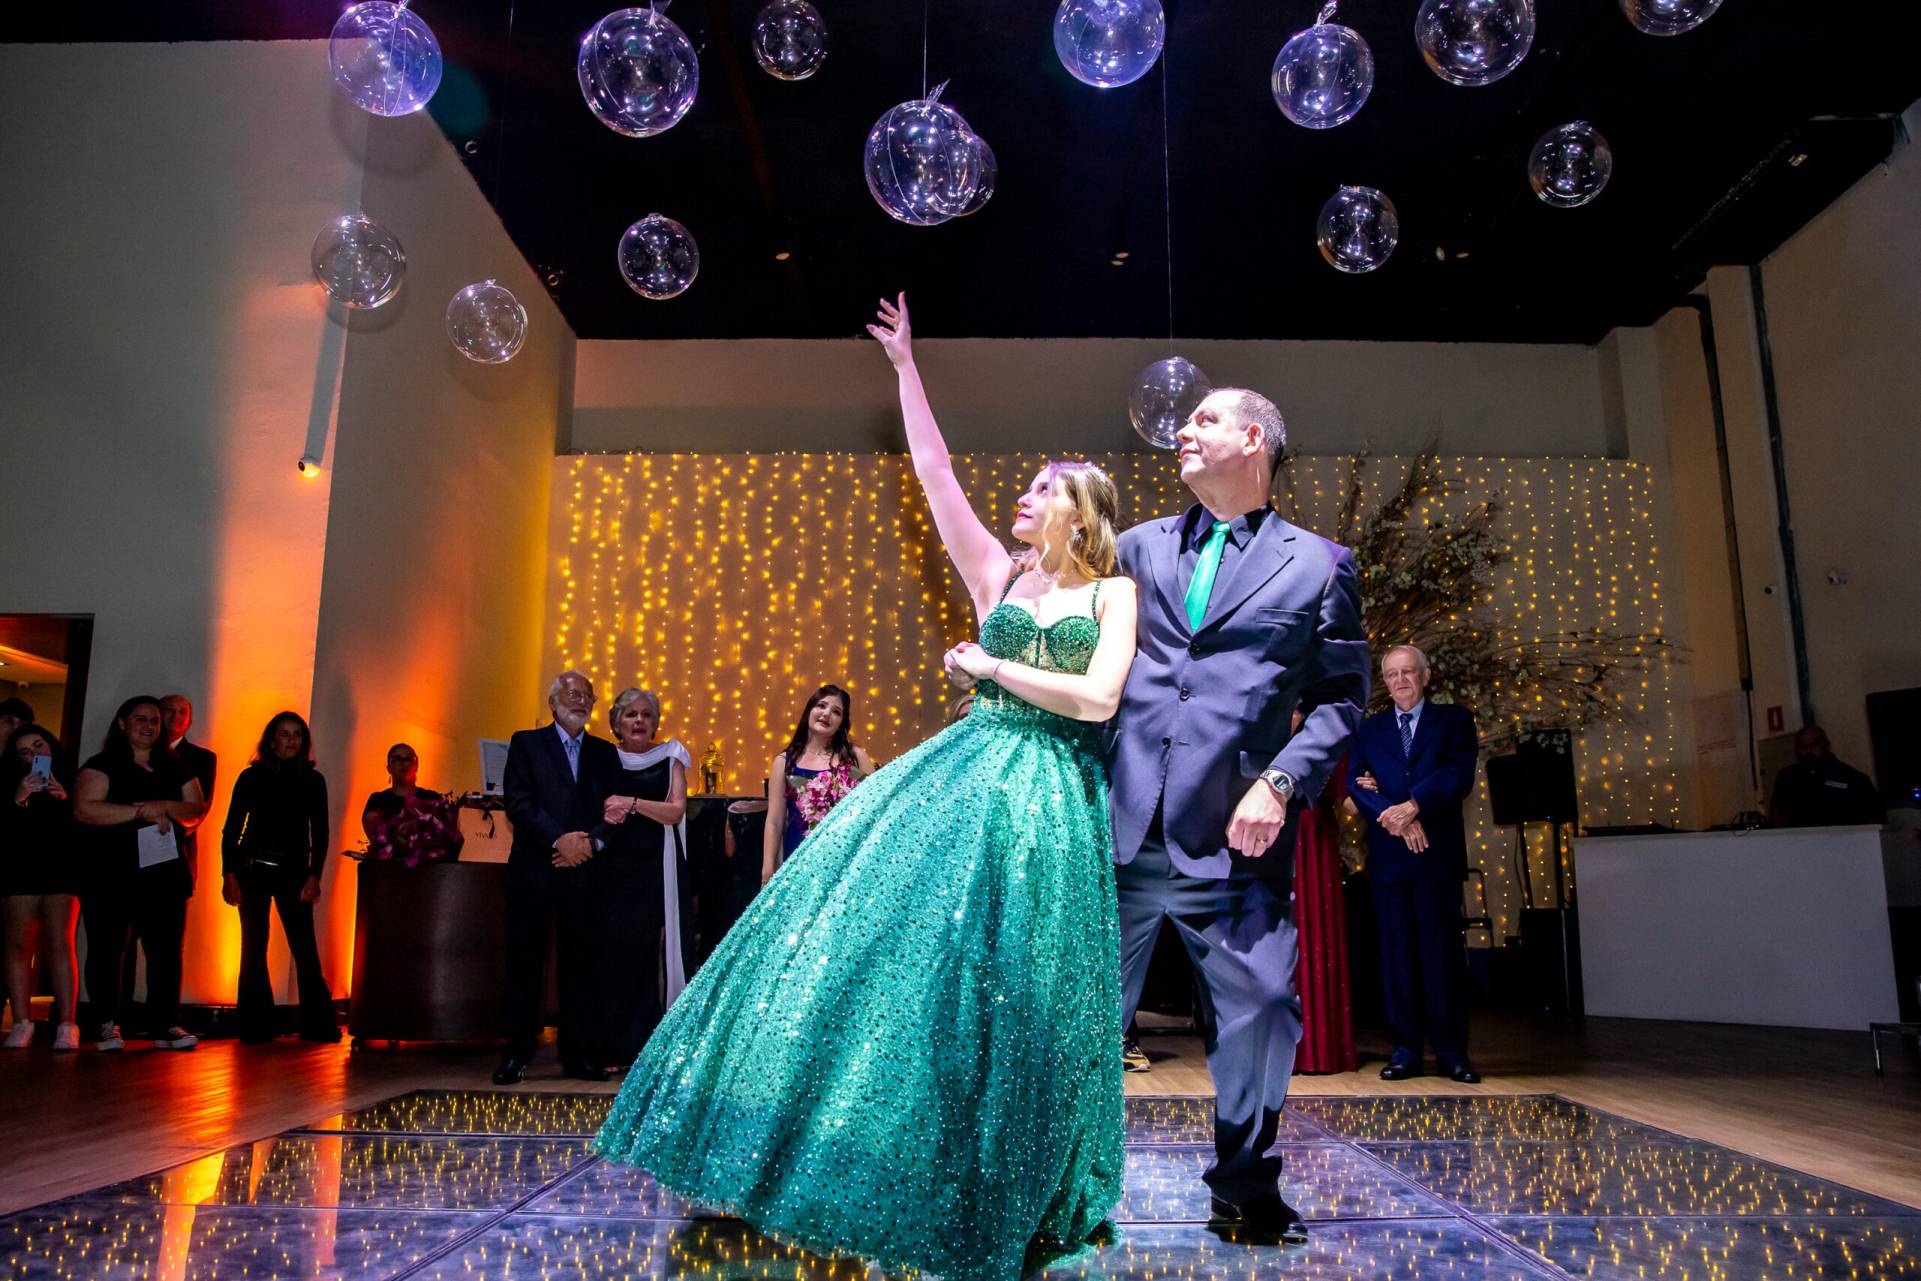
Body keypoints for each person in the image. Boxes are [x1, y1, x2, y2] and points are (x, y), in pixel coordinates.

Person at [596, 293, 1139, 1281]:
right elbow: (934, 473)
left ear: (1081, 510)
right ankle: (861, 1153)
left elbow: (1100, 700)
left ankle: (1023, 1176)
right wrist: (905, 369)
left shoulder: (1112, 592)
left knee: (1033, 987)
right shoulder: (998, 575)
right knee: (906, 957)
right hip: (969, 781)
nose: (1020, 496)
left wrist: (990, 667)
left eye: (1041, 487)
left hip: (1053, 794)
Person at [1109, 387, 1369, 1246]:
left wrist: (1283, 781)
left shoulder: (1320, 564)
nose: (1183, 430)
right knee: (1075, 1013)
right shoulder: (1134, 547)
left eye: (1205, 419)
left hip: (1235, 834)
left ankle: (1244, 1186)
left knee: (1261, 1006)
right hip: (1118, 824)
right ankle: (1053, 1183)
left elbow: (1340, 698)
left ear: (1253, 438)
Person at [1348, 644, 1481, 1084]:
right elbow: (1356, 784)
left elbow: (1457, 775)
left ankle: (1452, 1054)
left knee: (1442, 959)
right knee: (1397, 959)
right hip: (1389, 860)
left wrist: (1414, 804)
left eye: (1408, 672)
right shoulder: (1369, 730)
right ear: (1385, 682)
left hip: (1437, 858)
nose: (1400, 680)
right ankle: (1405, 1051)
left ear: (1425, 676)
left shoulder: (1454, 721)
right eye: (1392, 674)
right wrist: (1398, 818)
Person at [494, 670, 619, 1085]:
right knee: (524, 965)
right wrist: (559, 840)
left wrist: (590, 844)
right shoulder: (526, 744)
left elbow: (615, 811)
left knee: (581, 967)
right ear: (553, 702)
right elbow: (518, 803)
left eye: (587, 696)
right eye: (572, 694)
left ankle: (578, 1055)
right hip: (535, 871)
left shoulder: (605, 753)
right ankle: (516, 1053)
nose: (580, 701)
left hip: (584, 873)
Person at [72, 695, 207, 1051]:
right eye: (140, 719)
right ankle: (106, 1023)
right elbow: (85, 809)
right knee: (108, 949)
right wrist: (139, 812)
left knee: (166, 950)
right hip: (111, 873)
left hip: (165, 872)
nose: (149, 726)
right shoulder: (102, 764)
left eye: (154, 721)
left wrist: (163, 806)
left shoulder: (174, 764)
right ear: (122, 723)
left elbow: (196, 809)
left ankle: (165, 1023)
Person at [221, 711, 338, 1043]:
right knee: (253, 946)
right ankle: (255, 1026)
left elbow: (321, 833)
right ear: (272, 739)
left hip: (294, 872)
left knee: (304, 947)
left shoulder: (313, 780)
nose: (291, 740)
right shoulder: (251, 777)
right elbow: (232, 829)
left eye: (297, 734)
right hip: (252, 869)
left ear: (304, 741)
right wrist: (229, 872)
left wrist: (314, 876)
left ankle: (317, 1024)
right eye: (284, 734)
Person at [590, 688, 690, 1065]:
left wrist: (630, 803)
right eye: (630, 714)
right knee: (609, 954)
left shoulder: (670, 756)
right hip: (609, 867)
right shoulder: (602, 757)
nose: (639, 721)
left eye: (646, 715)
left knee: (647, 955)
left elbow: (675, 811)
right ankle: (608, 1045)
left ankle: (641, 1046)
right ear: (616, 721)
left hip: (653, 868)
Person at [2, 724, 83, 1050]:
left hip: (61, 866)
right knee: (18, 944)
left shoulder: (73, 777)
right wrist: (19, 797)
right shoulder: (9, 781)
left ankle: (67, 1023)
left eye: (39, 745)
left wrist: (64, 798)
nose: (34, 755)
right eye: (25, 752)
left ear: (51, 744)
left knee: (60, 942)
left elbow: (85, 823)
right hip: (19, 867)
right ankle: (22, 1021)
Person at [1292, 712, 1358, 1074]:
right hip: (1266, 841)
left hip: (1313, 840)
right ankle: (1278, 1051)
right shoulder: (1256, 726)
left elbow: (1350, 798)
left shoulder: (1327, 731)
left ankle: (1319, 1047)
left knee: (1315, 936)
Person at [761, 684, 874, 883]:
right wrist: (767, 870)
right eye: (821, 706)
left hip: (844, 863)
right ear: (809, 710)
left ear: (842, 722)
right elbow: (774, 821)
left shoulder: (854, 758)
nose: (826, 714)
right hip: (798, 860)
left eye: (836, 712)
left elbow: (875, 806)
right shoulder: (785, 762)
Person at [361, 743, 462, 864]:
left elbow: (447, 836)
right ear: (389, 768)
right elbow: (376, 838)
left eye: (409, 759)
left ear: (416, 765)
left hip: (428, 868)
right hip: (390, 868)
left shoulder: (432, 797)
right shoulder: (378, 800)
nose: (404, 763)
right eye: (397, 759)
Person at [1768, 725, 1884, 828]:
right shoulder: (1787, 778)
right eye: (1803, 746)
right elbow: (1778, 818)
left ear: (1826, 746)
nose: (1808, 750)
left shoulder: (1852, 778)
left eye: (1814, 744)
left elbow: (1874, 818)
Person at [160, 695, 217, 880]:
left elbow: (200, 809)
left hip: (179, 849)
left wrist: (163, 838)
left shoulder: (202, 758)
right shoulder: (136, 751)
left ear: (189, 721)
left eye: (182, 712)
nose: (175, 716)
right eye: (169, 710)